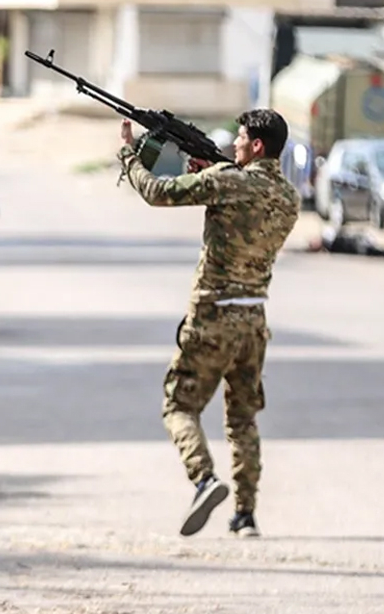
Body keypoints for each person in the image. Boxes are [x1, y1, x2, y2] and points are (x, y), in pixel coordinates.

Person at [116, 109, 300, 539]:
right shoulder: (289, 198)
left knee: (179, 405)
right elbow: (245, 205)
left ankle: (203, 479)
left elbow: (158, 192)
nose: (233, 144)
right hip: (254, 318)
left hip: (213, 315)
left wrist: (129, 154)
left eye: (239, 138)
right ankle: (246, 514)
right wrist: (214, 171)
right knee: (242, 419)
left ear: (256, 146)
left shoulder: (226, 182)